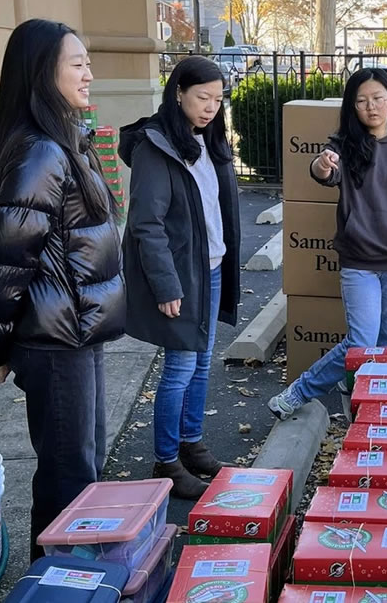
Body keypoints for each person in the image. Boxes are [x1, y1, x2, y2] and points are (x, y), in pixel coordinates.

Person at [0, 19, 125, 560]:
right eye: (77, 64)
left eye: (87, 63)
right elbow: (0, 263)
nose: (89, 74)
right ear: (41, 74)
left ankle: (78, 577)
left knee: (83, 468)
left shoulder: (67, 143)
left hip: (78, 333)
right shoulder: (42, 153)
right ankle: (54, 582)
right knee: (67, 478)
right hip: (55, 342)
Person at [268, 68, 387, 419]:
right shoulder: (344, 147)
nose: (371, 106)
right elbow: (322, 172)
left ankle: (373, 412)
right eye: (361, 101)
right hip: (359, 264)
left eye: (377, 98)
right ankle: (299, 392)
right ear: (352, 107)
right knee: (361, 342)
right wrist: (322, 163)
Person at [119, 56, 241, 499]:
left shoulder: (207, 140)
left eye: (218, 100)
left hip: (210, 269)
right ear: (178, 93)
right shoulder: (156, 147)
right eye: (202, 97)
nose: (210, 107)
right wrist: (166, 285)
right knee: (180, 367)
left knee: (201, 363)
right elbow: (146, 225)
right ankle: (166, 459)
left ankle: (192, 443)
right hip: (182, 276)